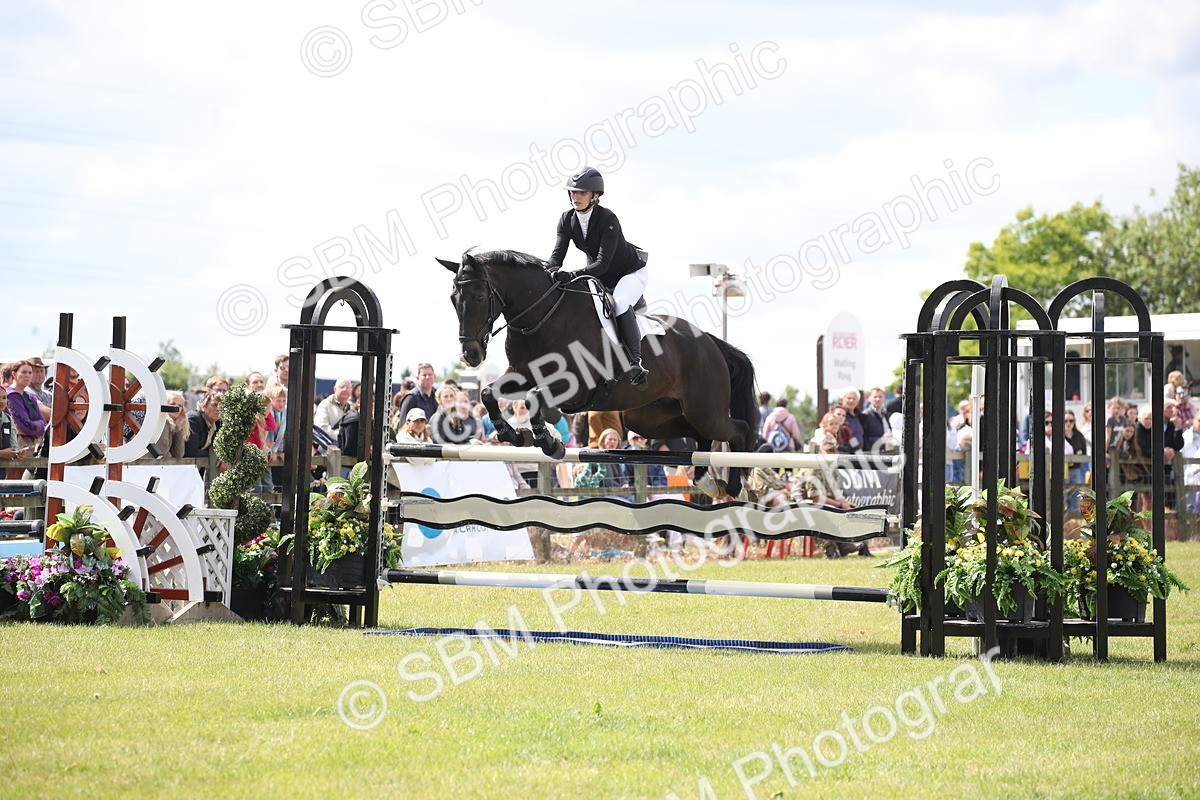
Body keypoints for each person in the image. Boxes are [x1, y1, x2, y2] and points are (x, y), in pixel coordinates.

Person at [546, 166, 650, 389]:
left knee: (620, 303)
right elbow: (557, 257)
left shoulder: (608, 219)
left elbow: (603, 264)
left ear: (596, 196)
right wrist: (547, 273)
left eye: (582, 193)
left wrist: (572, 274)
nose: (576, 197)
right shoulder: (567, 219)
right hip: (599, 275)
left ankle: (635, 362)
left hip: (629, 273)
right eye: (573, 193)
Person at [791, 436, 871, 558]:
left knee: (854, 509)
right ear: (820, 454)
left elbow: (837, 492)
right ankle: (830, 549)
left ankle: (856, 546)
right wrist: (839, 505)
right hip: (801, 503)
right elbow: (816, 498)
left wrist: (845, 504)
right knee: (826, 510)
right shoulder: (813, 468)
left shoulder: (832, 468)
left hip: (823, 501)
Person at [6, 361, 46, 452]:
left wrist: (36, 426)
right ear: (14, 374)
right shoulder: (10, 396)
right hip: (15, 447)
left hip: (32, 446)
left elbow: (44, 425)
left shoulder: (30, 396)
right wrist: (38, 425)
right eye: (24, 372)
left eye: (30, 372)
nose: (27, 375)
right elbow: (26, 426)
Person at [184, 392, 222, 466]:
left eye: (221, 406)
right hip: (180, 465)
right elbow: (191, 451)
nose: (218, 409)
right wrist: (216, 456)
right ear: (203, 407)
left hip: (198, 465)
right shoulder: (194, 420)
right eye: (214, 405)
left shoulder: (218, 423)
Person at [153, 390, 190, 459]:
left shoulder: (174, 425)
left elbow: (179, 454)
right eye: (173, 404)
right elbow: (163, 452)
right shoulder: (163, 422)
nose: (176, 408)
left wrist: (178, 428)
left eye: (180, 405)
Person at [860, 387, 896, 452]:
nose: (878, 399)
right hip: (873, 456)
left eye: (880, 396)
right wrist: (882, 440)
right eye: (875, 397)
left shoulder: (887, 415)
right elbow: (864, 440)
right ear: (869, 398)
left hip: (888, 453)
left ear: (884, 398)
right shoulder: (865, 415)